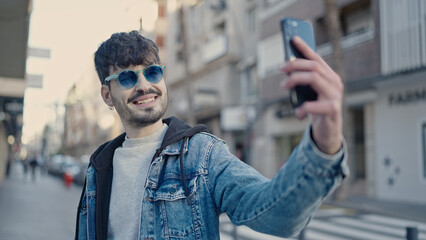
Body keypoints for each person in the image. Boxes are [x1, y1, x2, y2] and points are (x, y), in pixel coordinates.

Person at [75, 31, 348, 240]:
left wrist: (324, 143)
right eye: (127, 78)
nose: (145, 85)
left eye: (153, 72)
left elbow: (278, 216)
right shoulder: (99, 167)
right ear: (107, 95)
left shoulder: (202, 155)